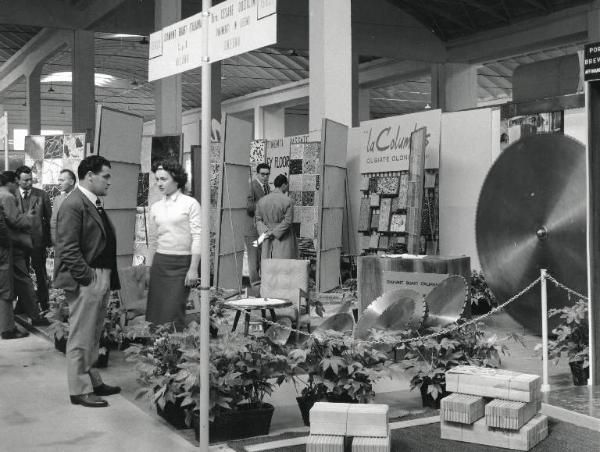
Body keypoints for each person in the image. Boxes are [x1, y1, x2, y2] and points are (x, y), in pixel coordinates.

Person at [54, 155, 121, 408]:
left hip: (100, 275)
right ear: (89, 175)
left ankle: (92, 381)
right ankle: (79, 389)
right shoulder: (74, 204)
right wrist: (88, 278)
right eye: (105, 176)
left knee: (93, 334)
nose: (109, 182)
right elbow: (67, 248)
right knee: (82, 335)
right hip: (88, 277)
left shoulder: (93, 202)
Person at [146, 159, 201, 331]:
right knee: (156, 310)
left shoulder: (190, 203)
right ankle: (155, 352)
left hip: (182, 264)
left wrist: (193, 268)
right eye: (157, 179)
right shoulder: (155, 207)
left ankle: (173, 353)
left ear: (176, 179)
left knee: (174, 310)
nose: (159, 183)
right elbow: (153, 240)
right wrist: (149, 267)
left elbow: (198, 236)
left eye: (164, 179)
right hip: (160, 263)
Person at [0, 171, 46, 326]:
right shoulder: (7, 196)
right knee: (24, 281)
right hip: (12, 247)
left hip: (8, 246)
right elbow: (15, 221)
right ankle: (35, 316)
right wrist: (29, 218)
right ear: (13, 182)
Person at [15, 165, 52, 311]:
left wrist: (49, 240)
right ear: (17, 180)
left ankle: (45, 304)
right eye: (25, 180)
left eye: (31, 179)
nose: (29, 183)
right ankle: (22, 304)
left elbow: (49, 219)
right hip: (19, 244)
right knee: (21, 275)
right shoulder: (11, 196)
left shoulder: (42, 194)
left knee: (41, 274)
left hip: (38, 243)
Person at [0, 174, 28, 340]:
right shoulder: (7, 196)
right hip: (2, 249)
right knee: (5, 288)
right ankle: (7, 329)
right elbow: (6, 224)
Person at [255, 174, 297, 260]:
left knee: (268, 264)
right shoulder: (288, 201)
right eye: (287, 185)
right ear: (284, 185)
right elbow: (288, 222)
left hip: (267, 236)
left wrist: (266, 232)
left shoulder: (262, 200)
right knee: (283, 265)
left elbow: (258, 220)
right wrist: (274, 233)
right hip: (283, 237)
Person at [245, 163, 271, 283]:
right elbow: (249, 207)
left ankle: (260, 285)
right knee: (253, 257)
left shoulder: (267, 188)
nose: (265, 177)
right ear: (257, 174)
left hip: (262, 228)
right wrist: (263, 203)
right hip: (252, 228)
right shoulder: (251, 186)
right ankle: (255, 285)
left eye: (267, 174)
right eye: (262, 174)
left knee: (261, 255)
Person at [50, 169, 77, 244]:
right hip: (61, 243)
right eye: (59, 180)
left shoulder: (81, 198)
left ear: (71, 182)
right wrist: (55, 241)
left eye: (62, 180)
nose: (59, 183)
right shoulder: (57, 199)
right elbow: (54, 221)